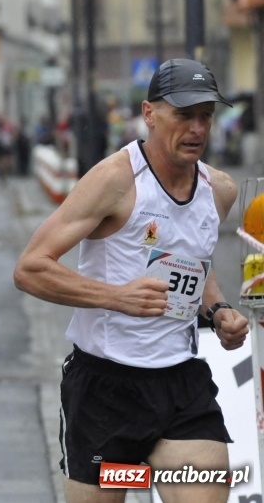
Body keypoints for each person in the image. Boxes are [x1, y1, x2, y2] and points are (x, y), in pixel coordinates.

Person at [13, 58, 250, 503]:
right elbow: (30, 268)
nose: (198, 128)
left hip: (182, 386)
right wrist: (116, 297)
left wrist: (218, 310)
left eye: (206, 116)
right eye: (184, 115)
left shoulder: (219, 190)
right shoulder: (115, 180)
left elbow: (195, 261)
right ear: (149, 114)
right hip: (105, 391)